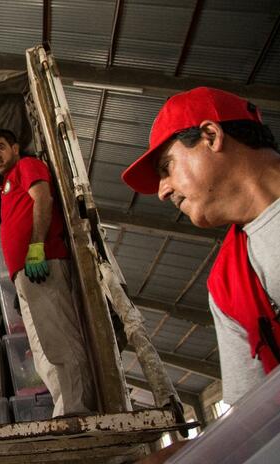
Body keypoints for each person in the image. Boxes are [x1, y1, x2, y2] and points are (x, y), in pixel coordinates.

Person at [121, 87, 280, 405]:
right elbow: (254, 421)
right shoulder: (227, 287)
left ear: (210, 135)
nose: (163, 191)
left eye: (166, 168)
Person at [0, 129, 95, 417]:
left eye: (0, 148)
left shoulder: (27, 166)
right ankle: (64, 408)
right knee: (44, 352)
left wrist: (36, 248)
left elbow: (42, 199)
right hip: (25, 276)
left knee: (61, 341)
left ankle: (78, 409)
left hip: (42, 265)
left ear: (16, 147)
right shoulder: (7, 184)